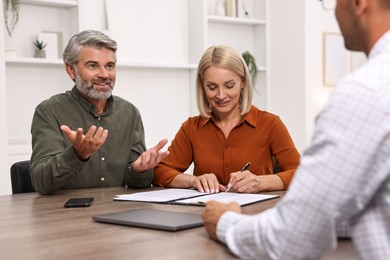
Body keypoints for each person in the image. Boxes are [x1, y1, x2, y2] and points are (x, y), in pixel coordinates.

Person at [202, 0, 390, 259]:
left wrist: (225, 221)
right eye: (212, 87)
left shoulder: (364, 93)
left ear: (359, 3)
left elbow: (291, 238)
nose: (333, 10)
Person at [30, 30, 169, 195]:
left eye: (109, 66)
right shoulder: (49, 111)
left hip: (118, 213)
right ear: (71, 70)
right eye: (92, 65)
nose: (104, 75)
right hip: (65, 216)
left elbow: (138, 184)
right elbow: (41, 182)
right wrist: (77, 154)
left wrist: (140, 170)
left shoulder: (129, 113)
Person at [153, 45, 300, 193]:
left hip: (256, 213)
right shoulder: (191, 128)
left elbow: (302, 174)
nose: (221, 95)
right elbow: (160, 171)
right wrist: (194, 180)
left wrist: (261, 182)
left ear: (242, 82)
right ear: (202, 86)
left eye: (229, 86)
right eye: (212, 87)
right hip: (204, 213)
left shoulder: (270, 124)